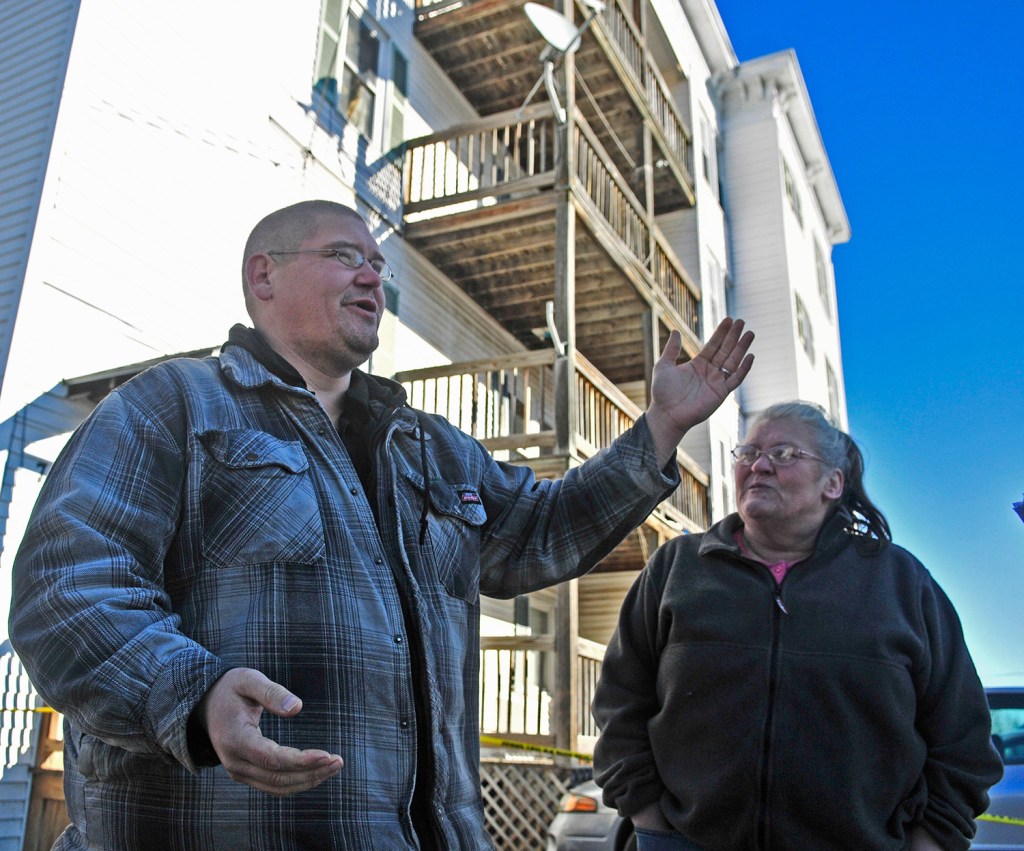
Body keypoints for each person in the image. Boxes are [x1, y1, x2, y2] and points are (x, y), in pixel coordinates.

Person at [8, 199, 755, 850]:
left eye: (377, 262)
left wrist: (660, 426)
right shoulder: (173, 406)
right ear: (262, 276)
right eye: (344, 257)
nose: (374, 276)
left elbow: (544, 528)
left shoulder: (429, 447)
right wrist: (191, 696)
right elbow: (67, 586)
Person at [592, 402, 1003, 851]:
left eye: (785, 454)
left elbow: (963, 742)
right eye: (747, 454)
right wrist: (652, 825)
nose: (759, 465)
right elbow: (619, 703)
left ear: (833, 483)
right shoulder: (677, 569)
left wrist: (927, 843)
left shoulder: (901, 583)